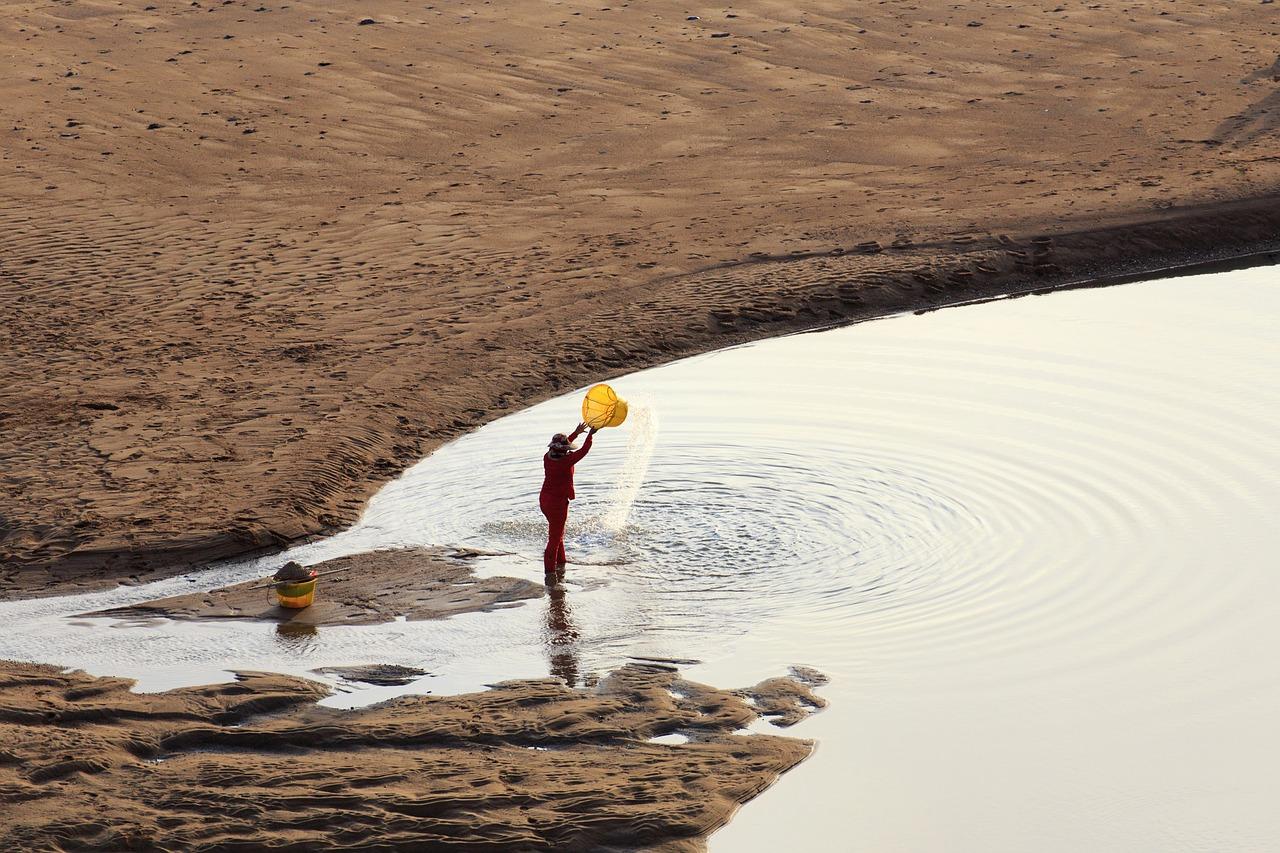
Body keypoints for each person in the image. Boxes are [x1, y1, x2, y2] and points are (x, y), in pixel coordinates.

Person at [540, 421, 597, 580]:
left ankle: (561, 563)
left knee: (558, 532)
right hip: (557, 504)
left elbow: (562, 447)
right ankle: (550, 575)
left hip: (544, 500)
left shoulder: (547, 457)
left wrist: (576, 433)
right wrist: (590, 435)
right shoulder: (566, 461)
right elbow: (584, 450)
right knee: (555, 538)